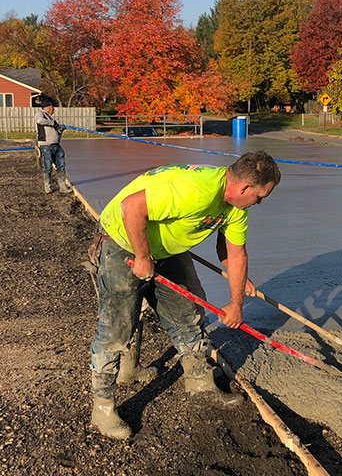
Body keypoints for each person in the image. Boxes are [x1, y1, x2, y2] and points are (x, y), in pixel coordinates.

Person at [87, 151, 281, 440]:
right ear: (244, 188)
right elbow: (132, 206)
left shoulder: (237, 208)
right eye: (260, 196)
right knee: (117, 327)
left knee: (188, 313)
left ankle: (200, 384)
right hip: (123, 239)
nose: (260, 203)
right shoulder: (196, 190)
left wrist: (236, 301)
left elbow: (234, 254)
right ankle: (102, 406)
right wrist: (142, 256)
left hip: (166, 247)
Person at [35, 97, 71, 195]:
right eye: (52, 107)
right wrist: (52, 123)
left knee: (61, 165)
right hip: (46, 145)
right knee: (48, 167)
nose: (54, 109)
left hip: (56, 144)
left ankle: (63, 187)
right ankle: (48, 187)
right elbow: (40, 121)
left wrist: (60, 129)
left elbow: (54, 130)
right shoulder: (41, 114)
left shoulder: (50, 117)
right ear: (47, 107)